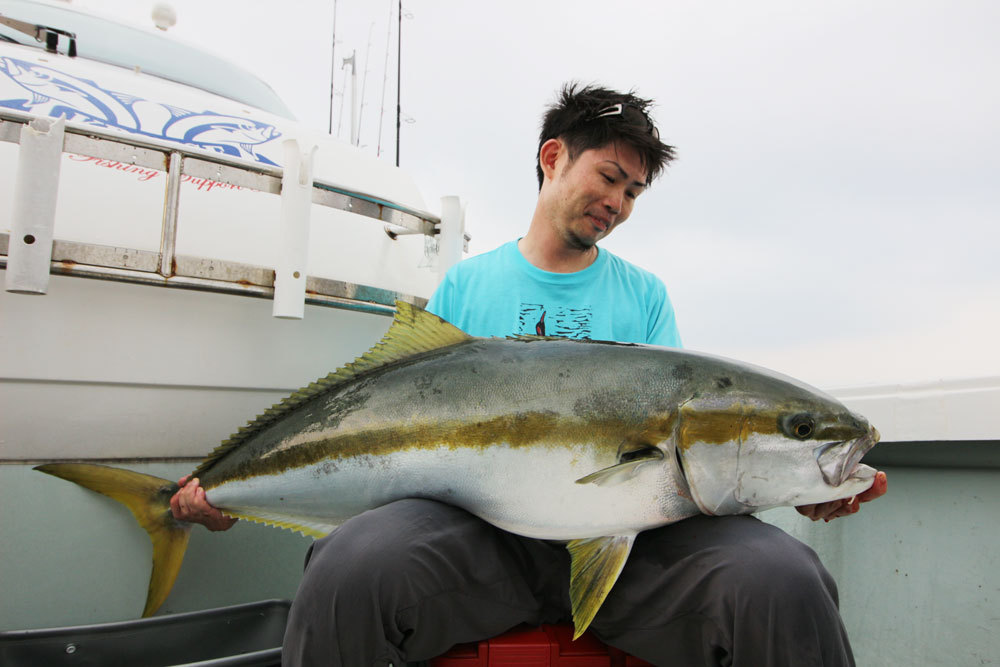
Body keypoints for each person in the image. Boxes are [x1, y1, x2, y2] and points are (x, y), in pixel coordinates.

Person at [172, 83, 888, 666]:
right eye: (609, 176)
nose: (619, 202)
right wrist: (241, 489)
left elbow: (694, 466)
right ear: (553, 158)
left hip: (636, 549)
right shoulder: (467, 286)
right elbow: (395, 429)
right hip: (483, 540)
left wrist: (800, 482)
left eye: (634, 191)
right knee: (346, 570)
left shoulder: (644, 297)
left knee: (785, 580)